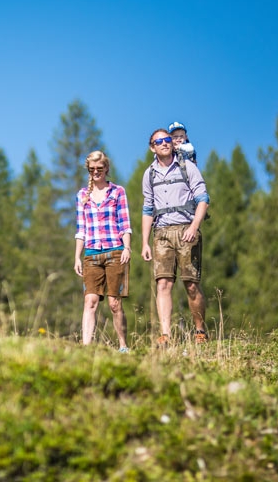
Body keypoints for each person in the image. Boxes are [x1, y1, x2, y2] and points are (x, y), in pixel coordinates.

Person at [140, 129, 210, 346]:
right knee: (163, 283)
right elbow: (147, 208)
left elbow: (203, 199)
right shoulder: (149, 174)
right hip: (161, 233)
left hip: (186, 229)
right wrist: (144, 243)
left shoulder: (187, 166)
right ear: (153, 147)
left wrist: (194, 226)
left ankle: (199, 331)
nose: (164, 143)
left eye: (167, 140)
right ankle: (165, 335)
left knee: (191, 284)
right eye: (159, 141)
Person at [74, 150, 132, 353]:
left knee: (114, 303)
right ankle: (86, 347)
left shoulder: (117, 192)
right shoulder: (82, 196)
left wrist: (127, 247)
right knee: (90, 300)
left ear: (106, 168)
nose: (96, 172)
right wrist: (77, 257)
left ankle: (123, 346)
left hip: (115, 251)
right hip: (91, 253)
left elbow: (124, 223)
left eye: (99, 168)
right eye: (92, 169)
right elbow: (81, 229)